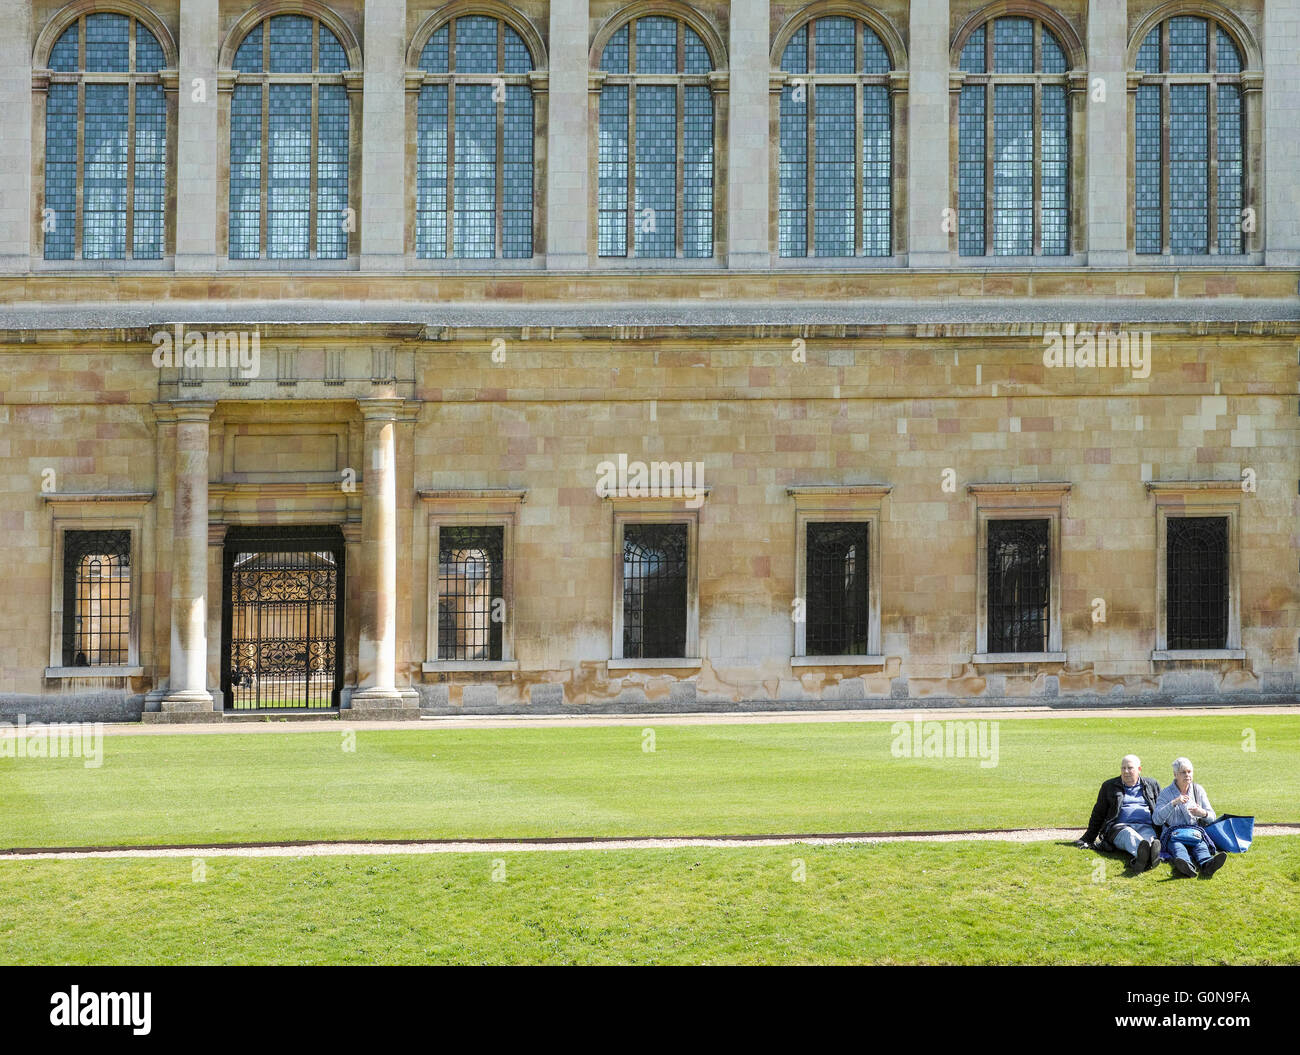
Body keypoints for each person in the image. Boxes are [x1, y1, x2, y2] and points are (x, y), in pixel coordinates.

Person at [1075, 754, 1162, 871]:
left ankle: (1145, 855)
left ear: (1139, 769)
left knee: (1150, 838)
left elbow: (1161, 808)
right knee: (1129, 835)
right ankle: (1147, 855)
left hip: (1145, 826)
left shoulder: (1151, 784)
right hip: (1119, 828)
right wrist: (1088, 838)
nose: (1126, 771)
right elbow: (1098, 814)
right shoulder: (1109, 786)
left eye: (1130, 768)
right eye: (1123, 768)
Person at [1154, 757, 1227, 878]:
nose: (1187, 775)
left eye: (1189, 771)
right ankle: (1186, 866)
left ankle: (1208, 865)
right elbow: (1156, 819)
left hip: (1194, 832)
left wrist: (1202, 813)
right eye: (1183, 772)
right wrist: (1173, 804)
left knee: (1201, 846)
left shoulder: (1198, 790)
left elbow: (1212, 816)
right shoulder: (1166, 793)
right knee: (1178, 848)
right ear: (1175, 774)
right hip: (1173, 833)